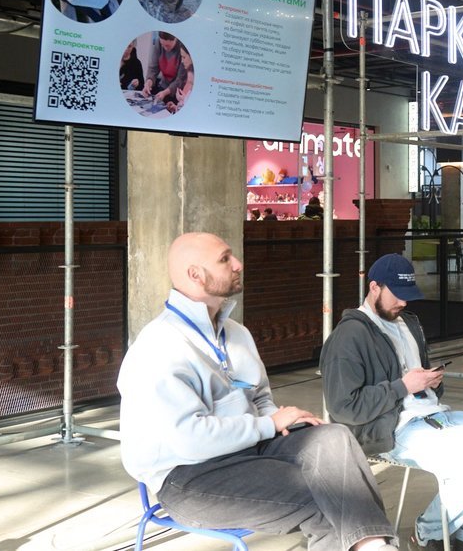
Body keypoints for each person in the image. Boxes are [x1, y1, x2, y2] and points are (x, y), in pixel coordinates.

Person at [117, 232, 397, 551]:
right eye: (224, 259)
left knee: (333, 437)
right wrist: (269, 424)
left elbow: (260, 397)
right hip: (189, 477)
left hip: (250, 450)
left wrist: (278, 421)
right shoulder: (159, 347)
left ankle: (373, 545)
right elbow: (190, 440)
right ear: (195, 274)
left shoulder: (236, 333)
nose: (238, 264)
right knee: (326, 498)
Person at [320, 254, 463, 551]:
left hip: (434, 416)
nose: (403, 302)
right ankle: (427, 533)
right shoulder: (348, 336)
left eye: (408, 295)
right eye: (397, 295)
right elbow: (343, 407)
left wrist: (430, 381)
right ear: (374, 287)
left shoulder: (408, 323)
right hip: (390, 429)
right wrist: (403, 386)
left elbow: (416, 382)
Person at [142, 32, 187, 104]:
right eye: (162, 44)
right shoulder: (158, 43)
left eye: (167, 45)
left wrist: (165, 92)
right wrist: (148, 83)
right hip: (163, 87)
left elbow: (180, 79)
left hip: (178, 93)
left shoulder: (183, 48)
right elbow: (153, 68)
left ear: (175, 39)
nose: (165, 48)